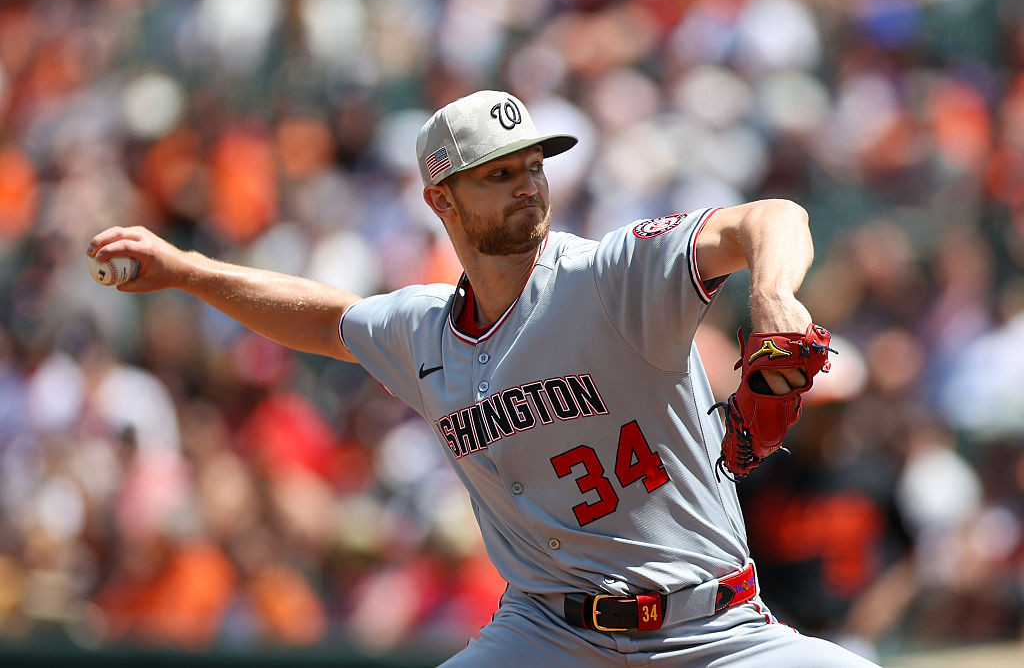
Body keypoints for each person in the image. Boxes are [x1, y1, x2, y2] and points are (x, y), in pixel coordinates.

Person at [88, 90, 877, 666]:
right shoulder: (425, 331)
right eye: (498, 174)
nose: (528, 184)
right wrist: (189, 270)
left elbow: (773, 218)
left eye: (533, 165)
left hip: (712, 628)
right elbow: (325, 317)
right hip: (548, 633)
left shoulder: (607, 275)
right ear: (442, 200)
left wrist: (772, 291)